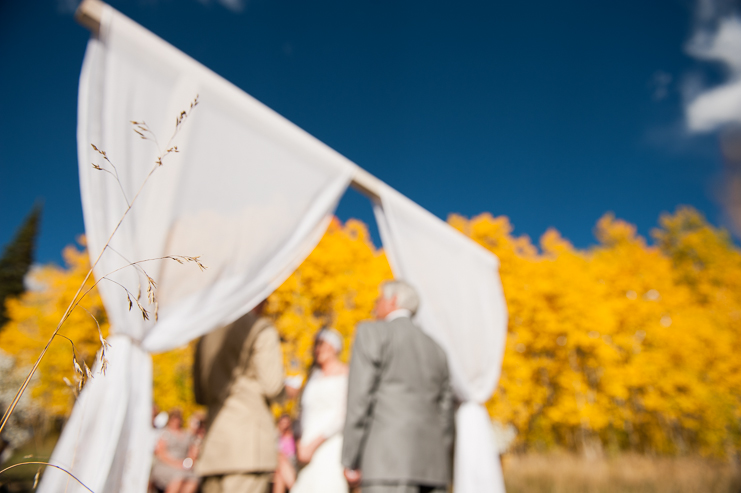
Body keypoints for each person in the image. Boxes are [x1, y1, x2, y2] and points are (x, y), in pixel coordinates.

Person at [341, 280, 455, 493]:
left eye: (378, 299)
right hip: (433, 468)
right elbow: (445, 415)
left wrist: (350, 457)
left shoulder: (371, 334)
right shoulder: (437, 349)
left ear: (393, 300)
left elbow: (359, 398)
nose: (374, 306)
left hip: (387, 465)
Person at [193, 302, 285, 493]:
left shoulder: (207, 333)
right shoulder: (259, 329)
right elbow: (273, 385)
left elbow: (199, 394)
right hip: (248, 448)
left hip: (214, 448)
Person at [291, 328, 349, 493]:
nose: (319, 350)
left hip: (330, 444)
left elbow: (342, 416)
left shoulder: (346, 373)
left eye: (323, 346)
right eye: (317, 346)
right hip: (306, 444)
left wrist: (315, 444)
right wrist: (301, 443)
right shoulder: (313, 376)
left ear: (334, 348)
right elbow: (303, 412)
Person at [150, 409, 200, 493]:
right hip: (166, 465)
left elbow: (192, 452)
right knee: (179, 476)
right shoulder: (165, 433)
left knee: (193, 478)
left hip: (183, 465)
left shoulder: (186, 434)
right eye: (174, 419)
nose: (176, 421)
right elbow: (161, 453)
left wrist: (188, 463)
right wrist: (176, 464)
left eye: (178, 419)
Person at [272, 414, 297, 493]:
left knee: (280, 475)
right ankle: (296, 489)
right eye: (282, 423)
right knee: (280, 458)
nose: (285, 425)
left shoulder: (294, 436)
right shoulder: (276, 437)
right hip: (278, 465)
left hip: (292, 463)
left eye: (287, 423)